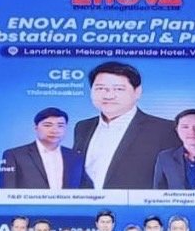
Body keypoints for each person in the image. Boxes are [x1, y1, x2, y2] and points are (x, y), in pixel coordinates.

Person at [72, 61, 181, 190]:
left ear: (137, 91)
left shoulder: (165, 130)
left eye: (118, 89)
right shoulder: (83, 127)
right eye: (100, 88)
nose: (108, 95)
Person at [0, 108, 88, 189]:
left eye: (60, 126)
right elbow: (6, 191)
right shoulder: (14, 155)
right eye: (48, 125)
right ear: (36, 127)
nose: (55, 130)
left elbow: (86, 188)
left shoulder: (76, 157)